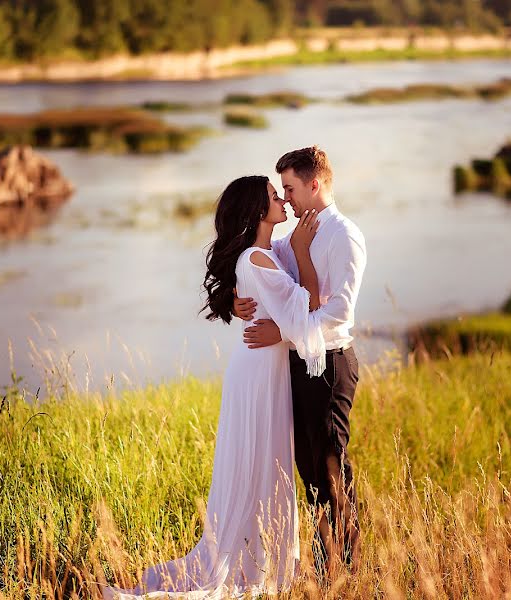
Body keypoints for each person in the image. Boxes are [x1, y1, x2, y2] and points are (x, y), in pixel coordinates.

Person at [103, 175, 324, 599]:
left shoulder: (260, 255)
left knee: (263, 462)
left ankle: (259, 553)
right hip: (259, 373)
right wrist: (302, 253)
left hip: (261, 368)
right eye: (274, 196)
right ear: (258, 211)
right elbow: (309, 307)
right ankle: (254, 562)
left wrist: (248, 299)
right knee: (259, 461)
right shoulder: (259, 259)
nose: (281, 200)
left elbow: (273, 300)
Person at [233, 146, 367, 575]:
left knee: (331, 464)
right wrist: (235, 300)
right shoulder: (294, 237)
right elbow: (275, 284)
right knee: (309, 471)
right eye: (281, 191)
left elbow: (338, 311)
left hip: (330, 363)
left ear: (315, 184)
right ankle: (327, 562)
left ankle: (346, 568)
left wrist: (284, 330)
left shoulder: (344, 235)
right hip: (298, 365)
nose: (286, 198)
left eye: (289, 188)